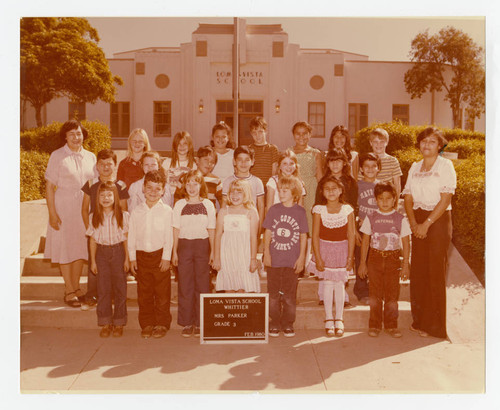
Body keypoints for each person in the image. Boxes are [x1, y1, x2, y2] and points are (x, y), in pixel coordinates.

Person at [403, 127, 456, 339]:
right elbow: (407, 197)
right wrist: (415, 223)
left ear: (439, 146)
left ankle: (435, 327)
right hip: (418, 219)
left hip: (438, 221)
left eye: (432, 142)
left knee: (434, 272)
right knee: (418, 272)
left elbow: (446, 199)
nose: (426, 145)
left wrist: (427, 224)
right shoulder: (415, 167)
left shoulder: (446, 165)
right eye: (423, 141)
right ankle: (419, 321)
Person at [44, 120, 97, 307]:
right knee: (64, 248)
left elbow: (94, 185)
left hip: (84, 208)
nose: (76, 137)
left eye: (79, 133)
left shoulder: (91, 157)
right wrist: (52, 212)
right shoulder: (57, 156)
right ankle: (68, 289)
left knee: (79, 248)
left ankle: (76, 287)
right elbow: (50, 186)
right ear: (65, 137)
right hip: (63, 207)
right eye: (72, 134)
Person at [358, 182, 411, 338]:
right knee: (374, 295)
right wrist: (362, 263)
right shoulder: (371, 217)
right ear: (376, 200)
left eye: (388, 198)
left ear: (394, 199)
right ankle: (374, 325)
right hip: (374, 258)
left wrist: (406, 265)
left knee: (392, 296)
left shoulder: (400, 218)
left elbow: (406, 243)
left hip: (393, 259)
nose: (385, 201)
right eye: (381, 198)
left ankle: (391, 325)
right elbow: (365, 241)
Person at [81, 149, 130, 307]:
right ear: (97, 166)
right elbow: (84, 208)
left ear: (115, 165)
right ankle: (92, 295)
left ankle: (116, 296)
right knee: (94, 264)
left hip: (115, 233)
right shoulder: (90, 184)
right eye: (102, 164)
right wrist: (91, 229)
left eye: (109, 164)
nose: (106, 167)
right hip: (97, 232)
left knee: (116, 268)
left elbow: (123, 210)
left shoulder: (120, 185)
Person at [308, 176, 355, 337]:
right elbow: (314, 235)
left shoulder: (347, 209)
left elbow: (351, 235)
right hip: (325, 249)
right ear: (322, 191)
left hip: (342, 249)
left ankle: (339, 318)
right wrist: (318, 257)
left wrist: (350, 257)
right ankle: (329, 318)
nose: (331, 191)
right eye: (327, 188)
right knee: (328, 283)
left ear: (341, 190)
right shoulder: (318, 210)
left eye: (334, 188)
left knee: (339, 284)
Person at [128, 170, 173, 339]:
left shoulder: (167, 211)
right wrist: (132, 257)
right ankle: (147, 323)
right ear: (143, 189)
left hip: (160, 256)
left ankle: (162, 323)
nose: (153, 192)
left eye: (157, 188)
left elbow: (169, 236)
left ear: (163, 190)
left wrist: (166, 257)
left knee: (162, 293)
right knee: (144, 293)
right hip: (141, 257)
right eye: (150, 188)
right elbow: (131, 235)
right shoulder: (136, 211)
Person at [172, 170, 216, 338]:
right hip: (184, 246)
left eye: (195, 183)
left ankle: (201, 322)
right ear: (184, 186)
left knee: (203, 284)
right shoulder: (179, 205)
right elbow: (175, 229)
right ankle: (187, 322)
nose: (191, 187)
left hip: (202, 246)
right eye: (188, 183)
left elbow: (211, 228)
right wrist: (174, 252)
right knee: (185, 284)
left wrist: (213, 251)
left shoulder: (208, 205)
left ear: (200, 185)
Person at [263, 176, 308, 337]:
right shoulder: (274, 210)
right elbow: (267, 232)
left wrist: (302, 257)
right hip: (274, 260)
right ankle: (274, 321)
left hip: (292, 261)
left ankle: (288, 323)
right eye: (279, 190)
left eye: (284, 190)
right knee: (273, 294)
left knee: (289, 295)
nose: (280, 193)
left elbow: (303, 236)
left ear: (294, 193)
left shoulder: (300, 212)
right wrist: (266, 253)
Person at [87, 182, 130, 338]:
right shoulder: (94, 216)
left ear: (115, 197)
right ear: (97, 198)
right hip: (102, 254)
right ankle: (105, 322)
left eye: (109, 195)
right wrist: (93, 261)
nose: (106, 198)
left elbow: (126, 238)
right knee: (103, 289)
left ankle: (119, 322)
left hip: (118, 252)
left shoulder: (123, 215)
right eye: (102, 195)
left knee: (120, 288)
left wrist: (127, 259)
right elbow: (92, 240)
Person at [317, 148, 358, 308]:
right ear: (327, 163)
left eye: (338, 160)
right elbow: (318, 204)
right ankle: (323, 295)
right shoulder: (323, 182)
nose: (335, 164)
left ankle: (343, 296)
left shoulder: (350, 181)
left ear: (344, 163)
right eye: (331, 160)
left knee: (341, 261)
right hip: (327, 226)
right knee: (326, 263)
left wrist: (354, 229)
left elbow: (354, 206)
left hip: (344, 227)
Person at [212, 179, 260, 292]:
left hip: (244, 255)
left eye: (239, 192)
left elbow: (254, 237)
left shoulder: (251, 212)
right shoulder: (224, 212)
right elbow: (218, 235)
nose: (235, 195)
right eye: (232, 192)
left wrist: (253, 259)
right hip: (227, 255)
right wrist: (217, 258)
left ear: (246, 194)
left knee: (243, 288)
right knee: (229, 288)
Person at [353, 153, 381, 304]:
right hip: (362, 227)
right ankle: (362, 290)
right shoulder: (357, 186)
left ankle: (375, 290)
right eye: (366, 166)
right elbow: (352, 209)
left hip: (378, 227)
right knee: (361, 259)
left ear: (378, 168)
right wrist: (354, 230)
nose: (370, 169)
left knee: (375, 260)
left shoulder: (382, 186)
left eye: (373, 166)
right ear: (361, 169)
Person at [289, 121, 323, 234]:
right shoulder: (289, 152)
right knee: (295, 219)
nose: (301, 137)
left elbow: (319, 175)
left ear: (309, 135)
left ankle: (313, 249)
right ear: (293, 135)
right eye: (298, 133)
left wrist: (321, 195)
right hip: (294, 189)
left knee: (311, 219)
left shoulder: (315, 153)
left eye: (304, 133)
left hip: (311, 190)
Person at [222, 146, 265, 230]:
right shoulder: (228, 181)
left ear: (252, 162)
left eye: (247, 160)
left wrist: (259, 227)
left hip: (250, 225)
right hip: (232, 225)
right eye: (240, 160)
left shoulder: (257, 182)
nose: (243, 163)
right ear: (234, 162)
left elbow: (261, 206)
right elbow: (224, 204)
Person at [162, 131, 196, 200]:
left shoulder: (194, 165)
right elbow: (161, 182)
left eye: (185, 144)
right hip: (168, 196)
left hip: (185, 197)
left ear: (189, 146)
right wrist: (166, 178)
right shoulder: (166, 163)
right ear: (175, 146)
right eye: (179, 144)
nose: (182, 146)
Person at [368, 128, 402, 198]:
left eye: (382, 142)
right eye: (375, 142)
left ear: (386, 143)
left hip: (386, 200)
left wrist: (395, 203)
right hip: (368, 197)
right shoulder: (365, 160)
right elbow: (360, 182)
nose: (378, 144)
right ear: (371, 143)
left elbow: (397, 185)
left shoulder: (393, 161)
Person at [248, 116, 279, 187]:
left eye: (260, 132)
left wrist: (271, 186)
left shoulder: (273, 149)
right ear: (251, 134)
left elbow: (274, 171)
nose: (257, 135)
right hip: (252, 187)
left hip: (268, 187)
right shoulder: (248, 149)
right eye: (254, 132)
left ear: (266, 131)